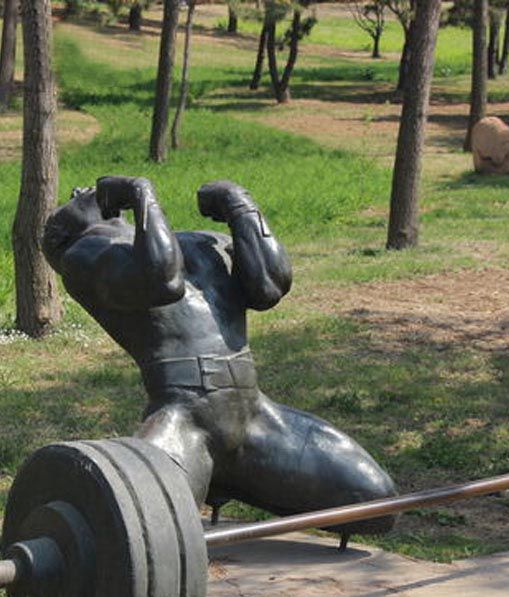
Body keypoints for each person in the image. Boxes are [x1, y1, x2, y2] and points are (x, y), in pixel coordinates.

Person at [43, 176, 396, 537]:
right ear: (60, 236)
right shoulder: (83, 258)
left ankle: (233, 478)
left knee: (375, 500)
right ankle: (210, 474)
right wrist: (141, 194)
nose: (76, 191)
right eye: (65, 204)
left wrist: (239, 206)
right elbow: (162, 281)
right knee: (145, 540)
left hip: (253, 414)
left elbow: (269, 286)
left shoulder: (188, 242)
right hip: (185, 418)